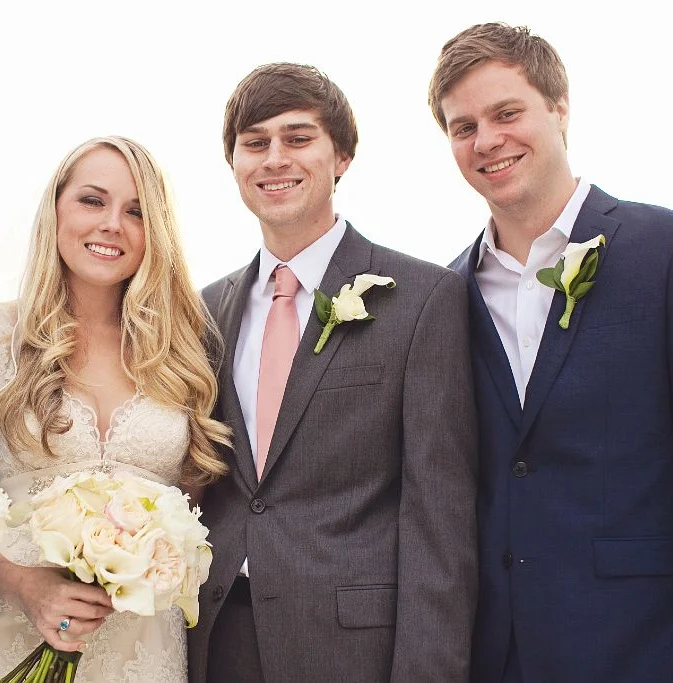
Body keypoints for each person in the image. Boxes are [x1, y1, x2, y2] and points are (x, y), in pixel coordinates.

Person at [430, 22, 673, 683]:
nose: (487, 140)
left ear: (560, 109)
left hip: (646, 652)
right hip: (495, 660)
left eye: (507, 113)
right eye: (463, 127)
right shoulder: (444, 295)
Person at [187, 62, 479, 683]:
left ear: (341, 156)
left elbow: (440, 519)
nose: (275, 158)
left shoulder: (423, 299)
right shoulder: (206, 310)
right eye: (255, 143)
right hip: (217, 640)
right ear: (233, 162)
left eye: (298, 139)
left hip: (353, 649)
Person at [0, 136, 230, 683]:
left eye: (135, 212)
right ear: (55, 209)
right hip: (6, 638)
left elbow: (193, 524)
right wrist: (23, 586)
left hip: (145, 651)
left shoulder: (184, 354)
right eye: (92, 201)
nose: (111, 224)